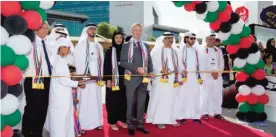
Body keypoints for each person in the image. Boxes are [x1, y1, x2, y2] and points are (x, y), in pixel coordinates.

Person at [47, 37, 86, 137]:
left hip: (60, 96)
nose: (67, 49)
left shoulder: (58, 59)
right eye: (65, 47)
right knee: (60, 121)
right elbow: (63, 80)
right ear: (59, 47)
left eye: (68, 47)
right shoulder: (59, 61)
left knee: (62, 120)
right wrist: (77, 83)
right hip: (60, 97)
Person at [120, 23, 153, 136]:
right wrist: (136, 69)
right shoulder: (126, 45)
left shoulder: (146, 45)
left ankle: (139, 124)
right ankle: (130, 124)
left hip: (143, 79)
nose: (138, 32)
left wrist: (151, 72)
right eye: (135, 30)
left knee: (141, 104)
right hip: (131, 79)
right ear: (132, 31)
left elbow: (149, 61)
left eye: (140, 30)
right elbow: (123, 62)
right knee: (130, 103)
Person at [22, 22, 53, 137]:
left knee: (43, 107)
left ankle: (37, 131)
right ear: (35, 29)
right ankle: (27, 132)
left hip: (47, 80)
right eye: (42, 28)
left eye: (46, 28)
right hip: (33, 79)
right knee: (32, 107)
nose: (45, 30)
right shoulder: (29, 43)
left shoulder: (48, 44)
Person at [146, 32, 180, 129]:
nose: (170, 40)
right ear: (163, 39)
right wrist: (160, 69)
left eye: (171, 38)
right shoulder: (156, 51)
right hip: (161, 79)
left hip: (173, 80)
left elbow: (180, 65)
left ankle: (171, 119)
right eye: (168, 38)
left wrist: (181, 75)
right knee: (161, 99)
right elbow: (151, 65)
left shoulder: (176, 51)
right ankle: (159, 120)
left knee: (172, 99)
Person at [74, 23, 104, 130]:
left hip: (96, 80)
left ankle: (97, 122)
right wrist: (80, 79)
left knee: (96, 100)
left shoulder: (99, 46)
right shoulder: (80, 45)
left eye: (94, 29)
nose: (93, 31)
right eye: (90, 29)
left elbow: (102, 63)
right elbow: (77, 62)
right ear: (86, 30)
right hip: (84, 79)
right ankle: (82, 124)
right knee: (84, 100)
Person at [174, 32, 203, 124]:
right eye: (191, 38)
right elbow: (178, 64)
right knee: (183, 96)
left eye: (194, 39)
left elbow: (200, 65)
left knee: (195, 96)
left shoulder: (196, 50)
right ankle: (181, 115)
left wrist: (201, 77)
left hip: (195, 77)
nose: (193, 40)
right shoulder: (181, 50)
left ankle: (196, 115)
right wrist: (179, 77)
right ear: (186, 39)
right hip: (184, 77)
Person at [103, 31, 128, 130]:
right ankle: (112, 122)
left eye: (120, 38)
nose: (118, 39)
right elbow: (106, 66)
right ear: (113, 39)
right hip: (113, 81)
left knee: (123, 101)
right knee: (112, 101)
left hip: (124, 81)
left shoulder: (126, 51)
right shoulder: (109, 52)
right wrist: (108, 80)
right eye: (117, 38)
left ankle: (122, 119)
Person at [200, 34, 225, 120]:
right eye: (210, 39)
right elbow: (201, 64)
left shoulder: (218, 50)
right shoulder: (202, 50)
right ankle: (205, 112)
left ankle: (217, 112)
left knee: (217, 95)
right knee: (205, 95)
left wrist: (218, 73)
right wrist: (210, 73)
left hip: (217, 77)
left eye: (213, 39)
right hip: (206, 77)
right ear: (206, 40)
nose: (212, 41)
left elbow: (222, 63)